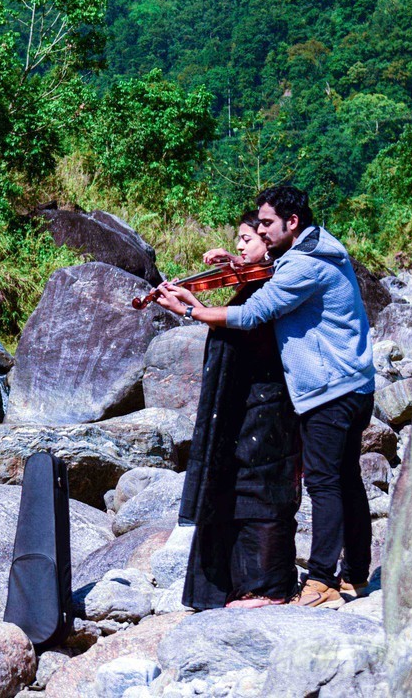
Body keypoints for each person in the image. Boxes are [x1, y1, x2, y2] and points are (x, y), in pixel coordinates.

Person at [157, 185, 374, 608]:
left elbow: (254, 312)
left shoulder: (304, 266)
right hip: (355, 385)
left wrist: (189, 310)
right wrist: (239, 263)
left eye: (267, 224)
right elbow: (271, 268)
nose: (261, 230)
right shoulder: (320, 247)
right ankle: (357, 575)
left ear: (292, 222)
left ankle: (323, 582)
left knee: (326, 484)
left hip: (329, 390)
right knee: (347, 480)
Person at [177, 212, 300, 610]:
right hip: (247, 400)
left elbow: (248, 325)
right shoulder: (253, 279)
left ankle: (268, 586)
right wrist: (232, 264)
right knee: (234, 485)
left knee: (261, 490)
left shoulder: (275, 282)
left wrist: (191, 308)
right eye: (241, 239)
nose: (244, 245)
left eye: (249, 238)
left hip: (269, 402)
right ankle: (233, 584)